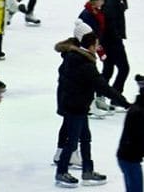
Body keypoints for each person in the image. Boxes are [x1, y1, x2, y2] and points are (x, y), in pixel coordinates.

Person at [54, 31, 130, 187]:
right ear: (91, 46)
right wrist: (124, 103)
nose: (98, 47)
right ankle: (61, 172)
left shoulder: (73, 57)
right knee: (72, 142)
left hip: (78, 106)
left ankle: (87, 171)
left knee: (85, 139)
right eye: (97, 44)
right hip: (76, 107)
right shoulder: (85, 64)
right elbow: (104, 87)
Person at [101, 0, 130, 109]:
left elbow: (123, 10)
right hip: (112, 41)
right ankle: (115, 96)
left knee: (108, 70)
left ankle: (100, 97)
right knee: (123, 68)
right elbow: (110, 22)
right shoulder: (111, 0)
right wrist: (117, 38)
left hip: (110, 40)